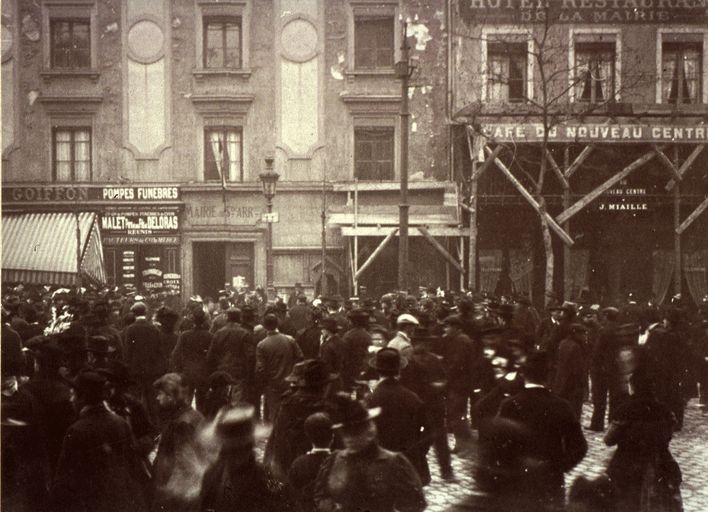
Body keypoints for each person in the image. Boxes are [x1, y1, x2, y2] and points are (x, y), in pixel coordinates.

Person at [491, 350, 588, 511]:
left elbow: (495, 446)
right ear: (548, 377)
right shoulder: (563, 406)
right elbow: (579, 447)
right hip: (551, 484)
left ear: (523, 375)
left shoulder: (509, 405)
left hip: (517, 484)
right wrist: (557, 467)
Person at [52, 371, 147, 512]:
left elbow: (63, 479)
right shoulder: (120, 423)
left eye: (73, 395)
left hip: (91, 503)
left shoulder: (77, 430)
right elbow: (133, 465)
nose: (71, 399)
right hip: (120, 501)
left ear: (82, 398)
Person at [314, 393, 426, 512]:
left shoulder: (393, 462)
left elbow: (415, 503)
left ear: (370, 430)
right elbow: (320, 495)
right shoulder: (334, 460)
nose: (349, 438)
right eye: (345, 433)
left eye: (355, 432)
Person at [604, 366, 682, 512]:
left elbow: (609, 440)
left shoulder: (625, 410)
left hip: (627, 466)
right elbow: (667, 436)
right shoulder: (664, 411)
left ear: (633, 387)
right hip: (658, 464)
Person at [199, 405, 287, 512]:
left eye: (239, 448)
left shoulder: (267, 477)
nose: (236, 455)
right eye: (231, 449)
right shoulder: (213, 475)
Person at [264, 359, 336, 481]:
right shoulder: (328, 409)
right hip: (321, 473)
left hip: (289, 470)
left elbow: (276, 441)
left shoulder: (286, 405)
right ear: (323, 386)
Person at [366, 347, 430, 485]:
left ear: (377, 371)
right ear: (399, 371)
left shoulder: (371, 399)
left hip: (380, 466)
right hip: (409, 463)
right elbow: (427, 431)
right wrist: (417, 453)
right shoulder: (413, 398)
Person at [401, 326, 453, 480]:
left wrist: (440, 386)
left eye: (424, 342)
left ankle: (446, 470)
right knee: (414, 440)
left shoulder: (434, 359)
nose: (421, 345)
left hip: (433, 405)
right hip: (415, 405)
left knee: (439, 438)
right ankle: (414, 472)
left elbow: (444, 379)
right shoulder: (406, 360)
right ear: (413, 342)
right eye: (418, 342)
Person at [151, 373, 204, 512]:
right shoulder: (194, 416)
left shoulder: (182, 424)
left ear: (170, 396)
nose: (157, 398)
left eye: (160, 394)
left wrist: (167, 499)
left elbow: (185, 466)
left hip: (178, 498)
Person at [255, 314, 304, 422]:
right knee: (290, 412)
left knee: (274, 413)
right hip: (289, 382)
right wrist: (294, 375)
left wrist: (264, 383)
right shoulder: (290, 339)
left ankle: (275, 436)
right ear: (277, 324)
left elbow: (260, 368)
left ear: (265, 326)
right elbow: (300, 358)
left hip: (272, 384)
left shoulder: (261, 345)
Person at [124, 302, 163, 424]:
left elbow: (127, 352)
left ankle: (137, 425)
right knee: (152, 401)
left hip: (135, 370)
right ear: (146, 313)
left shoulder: (130, 329)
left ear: (134, 313)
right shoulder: (154, 329)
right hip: (151, 370)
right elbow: (159, 351)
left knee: (135, 400)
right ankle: (155, 427)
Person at [288, 412, 334, 512]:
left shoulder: (298, 464)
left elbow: (292, 495)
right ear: (332, 437)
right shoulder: (338, 462)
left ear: (308, 436)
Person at [206, 307, 252, 403]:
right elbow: (250, 356)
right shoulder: (244, 333)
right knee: (237, 400)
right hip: (238, 372)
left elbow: (210, 355)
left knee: (221, 399)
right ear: (239, 318)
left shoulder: (219, 333)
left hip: (222, 371)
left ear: (227, 318)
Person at [171, 309, 213, 413]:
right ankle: (200, 424)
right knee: (202, 403)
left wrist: (179, 368)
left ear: (192, 321)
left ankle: (187, 424)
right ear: (204, 321)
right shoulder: (209, 336)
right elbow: (212, 355)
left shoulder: (185, 335)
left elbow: (175, 354)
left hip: (187, 372)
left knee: (186, 402)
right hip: (203, 373)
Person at [588, 307, 620, 431]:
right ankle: (613, 422)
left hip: (601, 369)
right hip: (614, 368)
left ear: (606, 316)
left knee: (599, 397)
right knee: (614, 397)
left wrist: (593, 365)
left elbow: (598, 350)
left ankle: (597, 424)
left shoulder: (604, 331)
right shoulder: (618, 330)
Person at [551, 323, 588, 420]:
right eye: (582, 334)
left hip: (561, 380)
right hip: (572, 383)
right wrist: (582, 383)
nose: (584, 336)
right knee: (574, 409)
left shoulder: (563, 343)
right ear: (575, 334)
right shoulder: (576, 347)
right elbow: (578, 368)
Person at [340, 309, 372, 391]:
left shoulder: (348, 336)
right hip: (364, 369)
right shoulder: (367, 335)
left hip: (350, 370)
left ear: (352, 322)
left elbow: (343, 356)